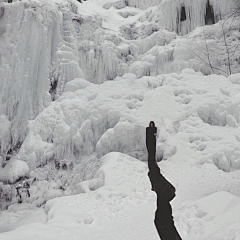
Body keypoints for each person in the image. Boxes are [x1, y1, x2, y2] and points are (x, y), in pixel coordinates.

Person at [148, 164, 182, 240]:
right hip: (163, 223)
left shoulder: (163, 199)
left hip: (163, 223)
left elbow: (154, 171)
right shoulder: (164, 200)